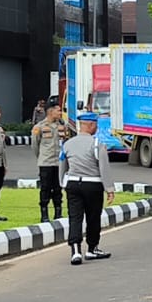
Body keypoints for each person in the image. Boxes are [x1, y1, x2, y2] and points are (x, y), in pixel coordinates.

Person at [60, 112, 115, 265]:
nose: (97, 128)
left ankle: (75, 251)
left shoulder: (67, 144)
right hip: (93, 185)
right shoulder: (97, 143)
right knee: (93, 217)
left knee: (75, 217)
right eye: (96, 125)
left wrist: (62, 183)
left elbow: (62, 166)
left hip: (72, 184)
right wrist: (109, 189)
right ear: (90, 125)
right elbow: (104, 168)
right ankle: (92, 249)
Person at [30, 100, 72, 222]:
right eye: (58, 110)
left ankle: (58, 212)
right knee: (45, 189)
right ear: (50, 111)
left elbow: (66, 143)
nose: (60, 113)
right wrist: (41, 157)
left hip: (59, 163)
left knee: (58, 188)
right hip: (46, 163)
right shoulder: (39, 127)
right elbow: (35, 146)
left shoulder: (63, 126)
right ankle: (44, 214)